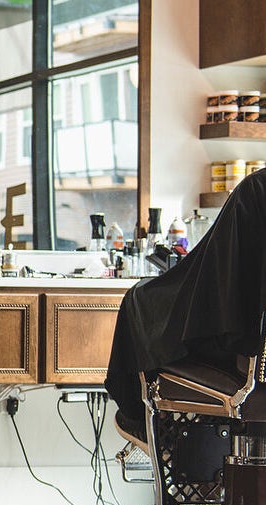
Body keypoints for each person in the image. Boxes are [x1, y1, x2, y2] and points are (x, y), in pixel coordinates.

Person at [105, 169, 266, 451]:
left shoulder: (259, 188)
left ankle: (142, 421)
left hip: (247, 365)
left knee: (140, 302)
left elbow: (213, 278)